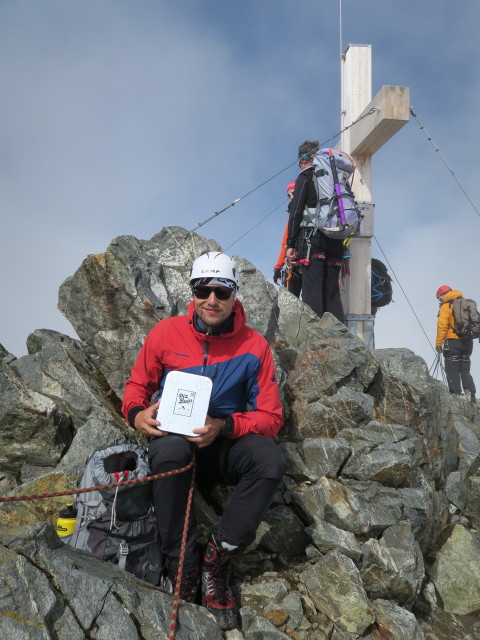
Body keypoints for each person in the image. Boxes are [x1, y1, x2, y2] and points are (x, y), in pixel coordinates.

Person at [122, 252, 286, 630]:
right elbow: (136, 386)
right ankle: (183, 565)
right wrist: (136, 414)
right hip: (174, 441)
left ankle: (219, 561)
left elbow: (271, 417)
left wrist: (223, 426)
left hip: (224, 444)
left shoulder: (254, 346)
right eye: (203, 290)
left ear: (234, 295)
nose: (212, 299)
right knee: (170, 452)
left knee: (271, 461)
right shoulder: (166, 332)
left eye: (221, 291)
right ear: (192, 292)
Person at [285, 140, 345, 322]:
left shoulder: (306, 176)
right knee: (332, 293)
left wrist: (291, 244)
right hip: (336, 240)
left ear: (302, 160)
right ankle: (340, 341)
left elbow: (295, 211)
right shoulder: (335, 177)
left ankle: (316, 340)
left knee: (312, 292)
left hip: (313, 241)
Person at [436, 285, 476, 402]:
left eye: (439, 298)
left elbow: (442, 326)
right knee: (465, 369)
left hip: (452, 342)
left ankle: (456, 396)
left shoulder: (446, 306)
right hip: (468, 342)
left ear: (443, 295)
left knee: (452, 369)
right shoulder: (466, 303)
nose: (440, 300)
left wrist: (439, 344)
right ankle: (471, 395)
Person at [273, 180, 302, 298]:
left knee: (291, 300)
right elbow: (285, 245)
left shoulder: (292, 220)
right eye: (288, 195)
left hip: (297, 266)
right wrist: (278, 266)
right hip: (306, 266)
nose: (291, 197)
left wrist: (278, 267)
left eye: (293, 193)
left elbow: (285, 245)